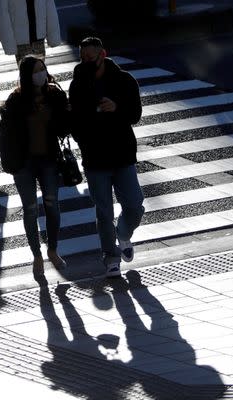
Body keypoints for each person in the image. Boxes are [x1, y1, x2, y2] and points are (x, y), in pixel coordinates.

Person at [69, 37, 144, 278]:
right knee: (103, 213)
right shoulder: (78, 84)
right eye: (83, 58)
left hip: (122, 155)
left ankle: (123, 233)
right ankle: (111, 257)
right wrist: (91, 121)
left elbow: (135, 114)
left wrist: (117, 107)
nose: (86, 62)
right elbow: (76, 122)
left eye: (90, 58)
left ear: (103, 54)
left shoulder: (124, 80)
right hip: (95, 158)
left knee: (134, 205)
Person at [0, 55, 69, 276]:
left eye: (43, 69)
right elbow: (6, 137)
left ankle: (53, 250)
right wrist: (10, 164)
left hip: (48, 159)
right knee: (29, 209)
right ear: (27, 76)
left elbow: (65, 127)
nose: (41, 74)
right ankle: (36, 255)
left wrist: (64, 110)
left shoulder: (55, 94)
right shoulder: (15, 101)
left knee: (52, 205)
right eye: (36, 71)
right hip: (24, 162)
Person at [0, 0, 62, 64]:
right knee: (27, 72)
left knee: (39, 71)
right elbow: (2, 15)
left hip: (38, 40)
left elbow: (49, 8)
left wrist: (53, 38)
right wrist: (9, 45)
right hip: (21, 43)